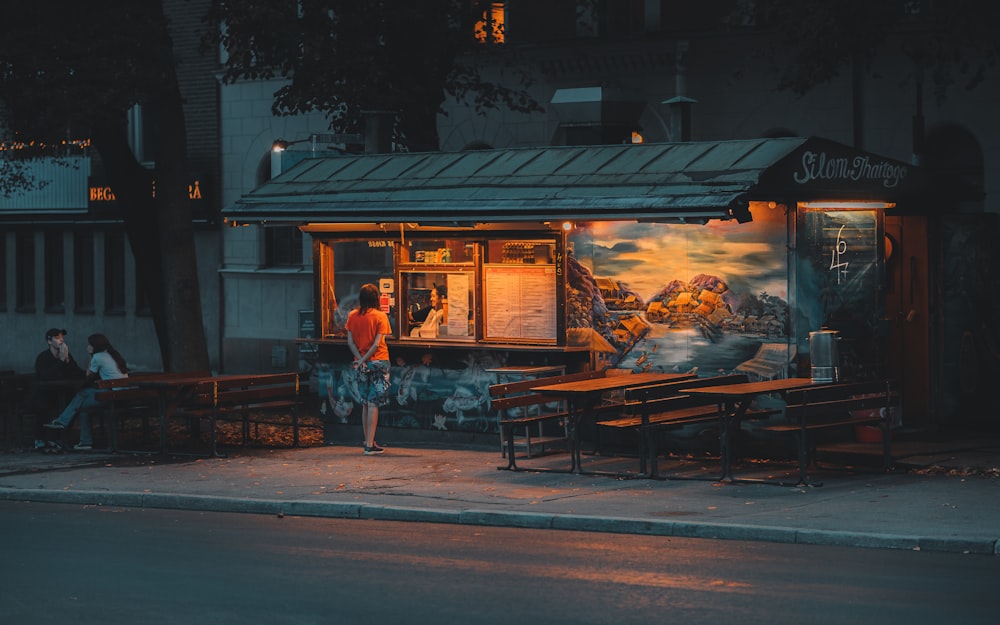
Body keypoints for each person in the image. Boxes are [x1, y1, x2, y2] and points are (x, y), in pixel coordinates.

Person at [43, 333, 129, 451]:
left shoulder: (98, 357)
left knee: (82, 395)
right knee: (84, 405)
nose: (87, 347)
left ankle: (62, 422)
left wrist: (91, 356)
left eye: (89, 344)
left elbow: (88, 376)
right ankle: (84, 442)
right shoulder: (113, 355)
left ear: (95, 346)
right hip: (122, 394)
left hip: (111, 395)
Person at [345, 283, 392, 455]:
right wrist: (366, 359)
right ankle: (369, 445)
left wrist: (359, 360)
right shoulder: (380, 317)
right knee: (374, 403)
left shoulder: (352, 315)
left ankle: (368, 440)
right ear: (376, 298)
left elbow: (350, 342)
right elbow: (378, 343)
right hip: (379, 361)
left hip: (360, 364)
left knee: (365, 402)